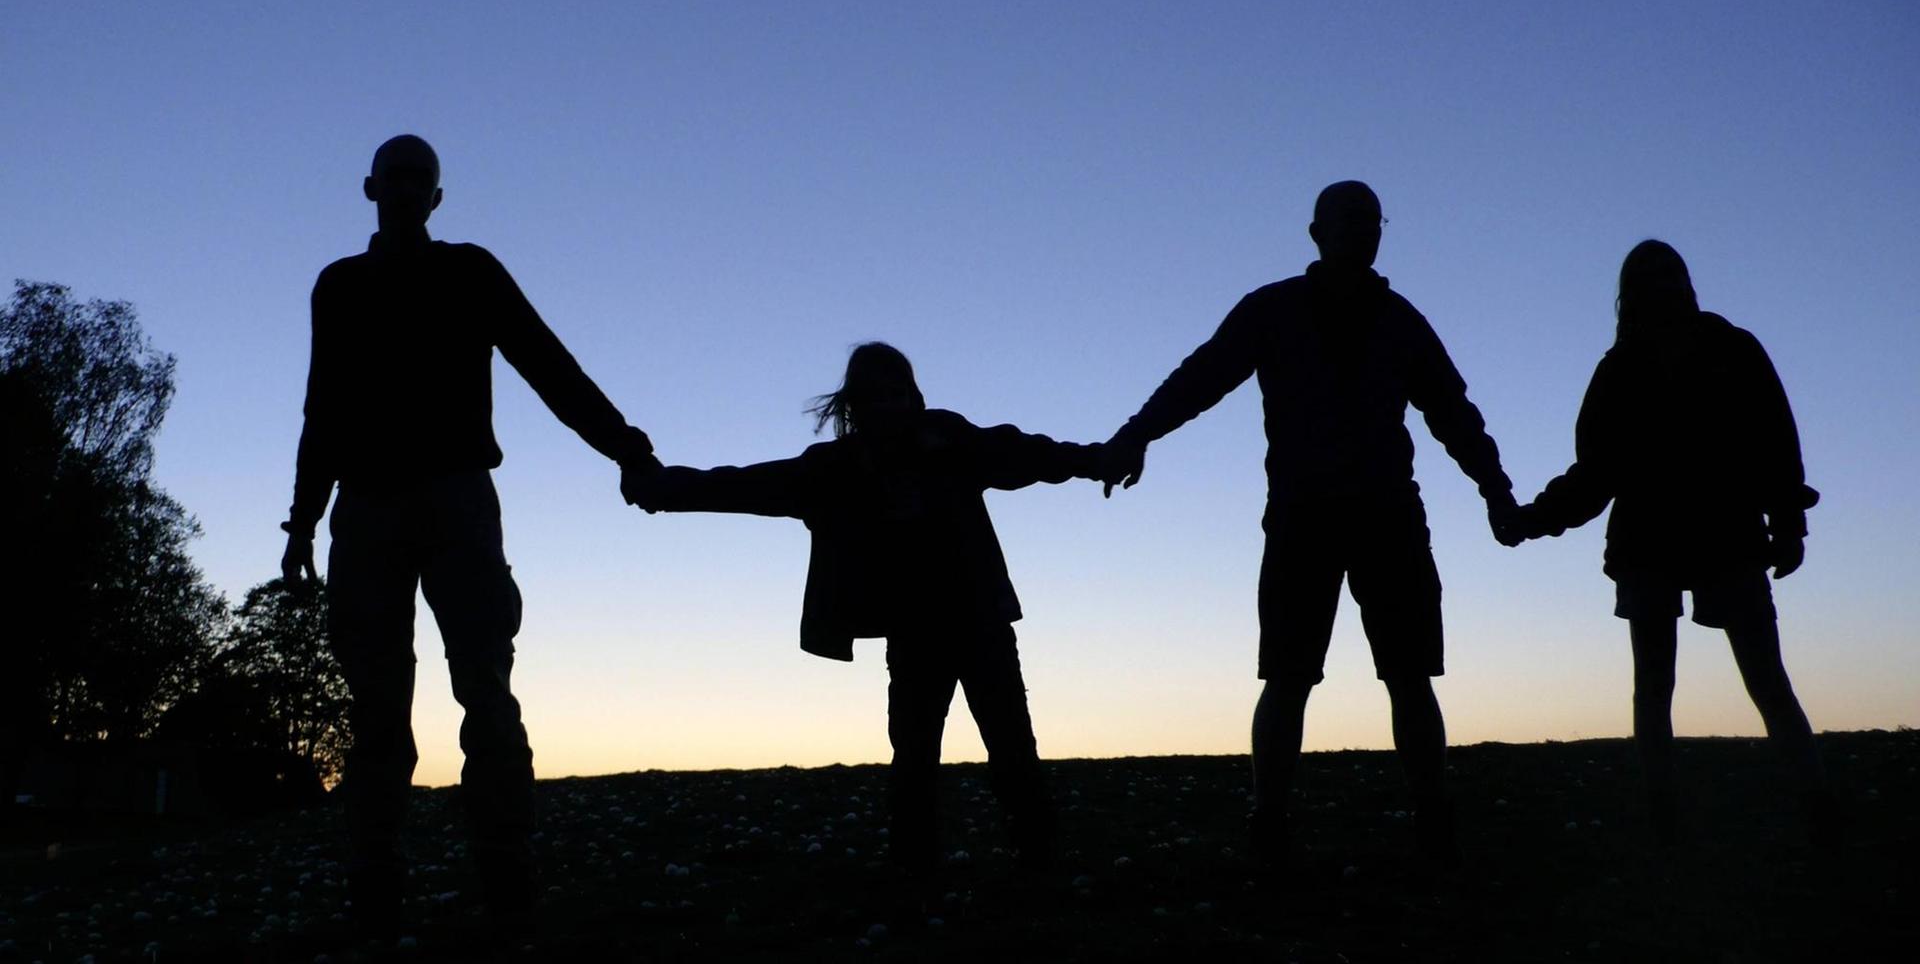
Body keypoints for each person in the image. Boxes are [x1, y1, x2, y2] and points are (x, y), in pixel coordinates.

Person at [279, 135, 660, 936]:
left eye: (422, 178)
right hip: (369, 509)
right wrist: (304, 522)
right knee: (378, 706)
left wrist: (620, 441)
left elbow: (547, 363)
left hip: (456, 502)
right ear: (370, 188)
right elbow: (326, 407)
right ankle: (376, 878)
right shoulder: (339, 287)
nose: (410, 188)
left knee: (484, 688)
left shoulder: (470, 271)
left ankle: (506, 868)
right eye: (398, 176)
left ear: (437, 196)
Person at [1099, 180, 1519, 866]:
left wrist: (1495, 489)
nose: (1363, 230)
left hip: (1387, 515)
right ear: (1316, 232)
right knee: (1289, 677)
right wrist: (1138, 432)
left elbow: (1453, 411)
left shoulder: (1399, 320)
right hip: (1304, 518)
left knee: (1409, 675)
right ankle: (1269, 820)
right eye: (1349, 220)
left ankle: (1432, 819)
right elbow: (1203, 375)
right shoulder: (1273, 311)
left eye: (1371, 220)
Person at [626, 342, 1102, 876]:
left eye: (898, 394)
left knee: (1007, 747)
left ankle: (1033, 861)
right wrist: (665, 489)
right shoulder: (838, 468)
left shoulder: (949, 440)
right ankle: (921, 871)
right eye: (878, 397)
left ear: (912, 395)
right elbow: (747, 484)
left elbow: (1027, 454)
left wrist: (1097, 459)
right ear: (856, 405)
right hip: (917, 634)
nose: (891, 407)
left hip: (980, 623)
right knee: (919, 756)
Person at [1511, 239, 1829, 844]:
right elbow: (1599, 471)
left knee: (1703, 683)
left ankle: (1698, 812)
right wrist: (1787, 525)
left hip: (1696, 539)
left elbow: (1773, 443)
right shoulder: (1690, 356)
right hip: (1687, 539)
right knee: (1725, 682)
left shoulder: (1674, 358)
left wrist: (1788, 522)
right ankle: (1795, 804)